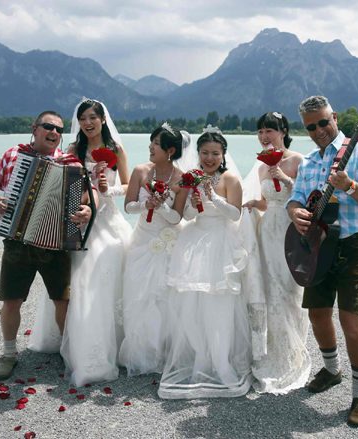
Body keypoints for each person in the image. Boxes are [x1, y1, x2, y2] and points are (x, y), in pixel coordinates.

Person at [287, 96, 358, 425]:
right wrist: (295, 213)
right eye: (311, 126)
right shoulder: (310, 161)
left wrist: (350, 185)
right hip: (318, 245)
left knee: (351, 322)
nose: (318, 130)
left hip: (356, 242)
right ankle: (331, 370)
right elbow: (295, 199)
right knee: (316, 314)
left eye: (323, 122)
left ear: (335, 118)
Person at [0, 110, 93, 379]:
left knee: (62, 301)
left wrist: (87, 210)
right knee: (11, 301)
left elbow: (88, 197)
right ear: (35, 128)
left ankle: (68, 354)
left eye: (59, 129)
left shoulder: (70, 164)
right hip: (17, 241)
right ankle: (9, 355)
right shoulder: (13, 155)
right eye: (48, 127)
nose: (54, 132)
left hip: (55, 245)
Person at [29, 98, 131, 387]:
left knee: (111, 273)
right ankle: (75, 342)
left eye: (92, 118)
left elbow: (126, 184)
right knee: (79, 279)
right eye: (82, 118)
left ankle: (116, 343)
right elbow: (61, 183)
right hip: (80, 218)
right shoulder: (73, 150)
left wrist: (106, 187)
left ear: (103, 119)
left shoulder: (116, 149)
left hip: (107, 218)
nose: (87, 123)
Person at [158, 126, 253, 399]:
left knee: (219, 306)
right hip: (193, 242)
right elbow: (186, 215)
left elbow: (234, 214)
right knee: (190, 305)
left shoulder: (230, 178)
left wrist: (213, 197)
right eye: (204, 153)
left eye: (215, 153)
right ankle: (201, 357)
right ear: (197, 153)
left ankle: (221, 363)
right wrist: (194, 201)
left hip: (220, 242)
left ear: (223, 155)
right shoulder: (192, 178)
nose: (209, 158)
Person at [242, 111, 311, 394]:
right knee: (270, 290)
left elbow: (309, 197)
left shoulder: (299, 161)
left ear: (283, 131)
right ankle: (274, 353)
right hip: (267, 229)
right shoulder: (260, 168)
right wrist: (251, 204)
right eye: (260, 132)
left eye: (269, 130)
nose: (264, 136)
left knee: (291, 290)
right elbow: (267, 201)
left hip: (291, 230)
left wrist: (284, 175)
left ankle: (295, 352)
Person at [118, 123, 192, 376]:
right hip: (142, 240)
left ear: (170, 150)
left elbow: (177, 218)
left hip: (170, 241)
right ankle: (142, 353)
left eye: (156, 144)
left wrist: (159, 206)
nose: (150, 147)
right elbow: (128, 206)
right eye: (151, 142)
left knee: (167, 298)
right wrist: (145, 205)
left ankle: (166, 352)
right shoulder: (140, 171)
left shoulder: (183, 178)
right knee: (140, 293)